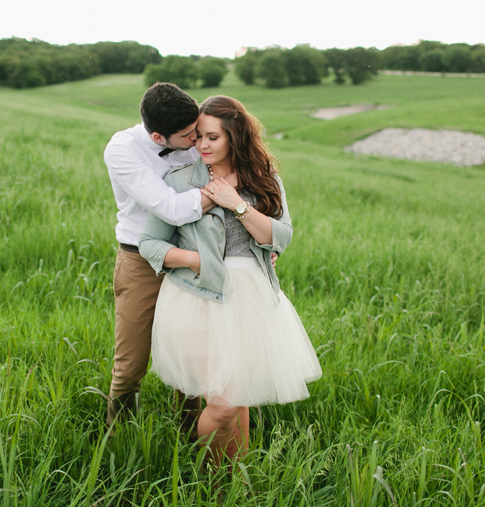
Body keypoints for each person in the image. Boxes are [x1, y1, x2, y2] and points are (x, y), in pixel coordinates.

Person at [138, 95, 322, 467]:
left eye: (212, 138)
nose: (201, 146)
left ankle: (231, 485)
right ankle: (196, 465)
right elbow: (149, 243)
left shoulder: (265, 181)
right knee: (222, 405)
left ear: (235, 138)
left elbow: (280, 236)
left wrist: (236, 202)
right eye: (199, 137)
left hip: (251, 297)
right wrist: (196, 260)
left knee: (237, 400)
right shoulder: (178, 182)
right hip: (196, 296)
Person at [103, 83, 215, 432]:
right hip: (141, 261)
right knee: (131, 362)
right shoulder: (123, 149)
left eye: (198, 129)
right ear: (157, 136)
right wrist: (220, 195)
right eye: (188, 136)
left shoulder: (196, 137)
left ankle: (191, 433)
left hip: (192, 253)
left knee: (191, 357)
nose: (198, 140)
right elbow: (170, 208)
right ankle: (118, 436)